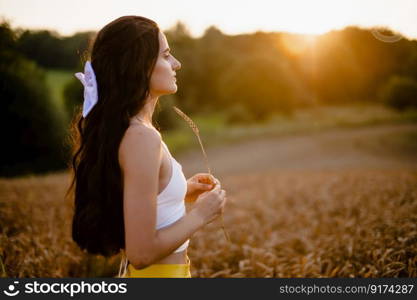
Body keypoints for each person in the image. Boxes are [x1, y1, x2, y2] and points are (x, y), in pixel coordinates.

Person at [67, 15, 227, 278]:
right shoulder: (141, 137)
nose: (177, 63)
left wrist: (179, 191)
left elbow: (136, 202)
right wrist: (201, 214)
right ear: (138, 66)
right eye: (166, 56)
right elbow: (141, 254)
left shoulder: (134, 131)